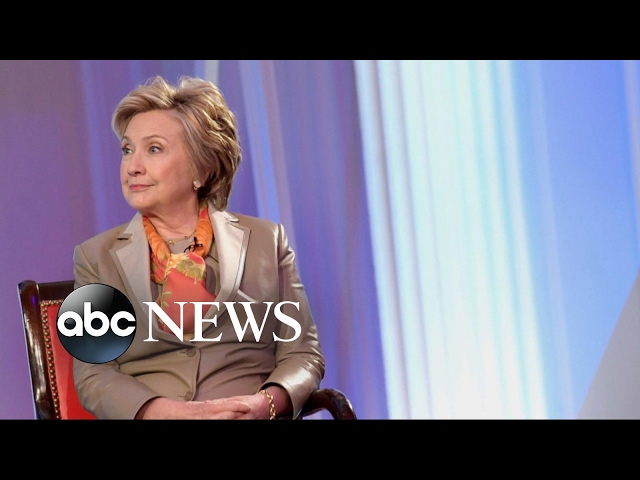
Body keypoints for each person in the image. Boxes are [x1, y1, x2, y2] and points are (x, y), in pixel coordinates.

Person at [72, 75, 325, 419]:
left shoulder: (267, 241)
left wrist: (264, 405)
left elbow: (303, 353)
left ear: (201, 169)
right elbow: (94, 374)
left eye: (154, 149)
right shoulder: (94, 258)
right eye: (127, 150)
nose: (133, 167)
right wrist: (165, 413)